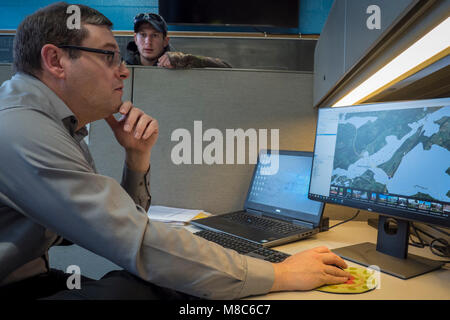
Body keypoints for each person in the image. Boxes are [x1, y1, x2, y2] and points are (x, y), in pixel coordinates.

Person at [0, 2, 350, 300]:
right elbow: (137, 242)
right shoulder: (22, 129)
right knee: (156, 286)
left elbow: (124, 224)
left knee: (162, 283)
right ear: (56, 61)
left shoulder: (54, 124)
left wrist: (136, 158)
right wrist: (280, 275)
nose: (123, 70)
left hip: (32, 277)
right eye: (109, 56)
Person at [126, 12, 232, 69]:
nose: (148, 41)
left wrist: (185, 60)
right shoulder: (124, 67)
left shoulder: (178, 62)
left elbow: (226, 67)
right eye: (143, 35)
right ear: (135, 39)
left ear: (165, 41)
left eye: (155, 35)